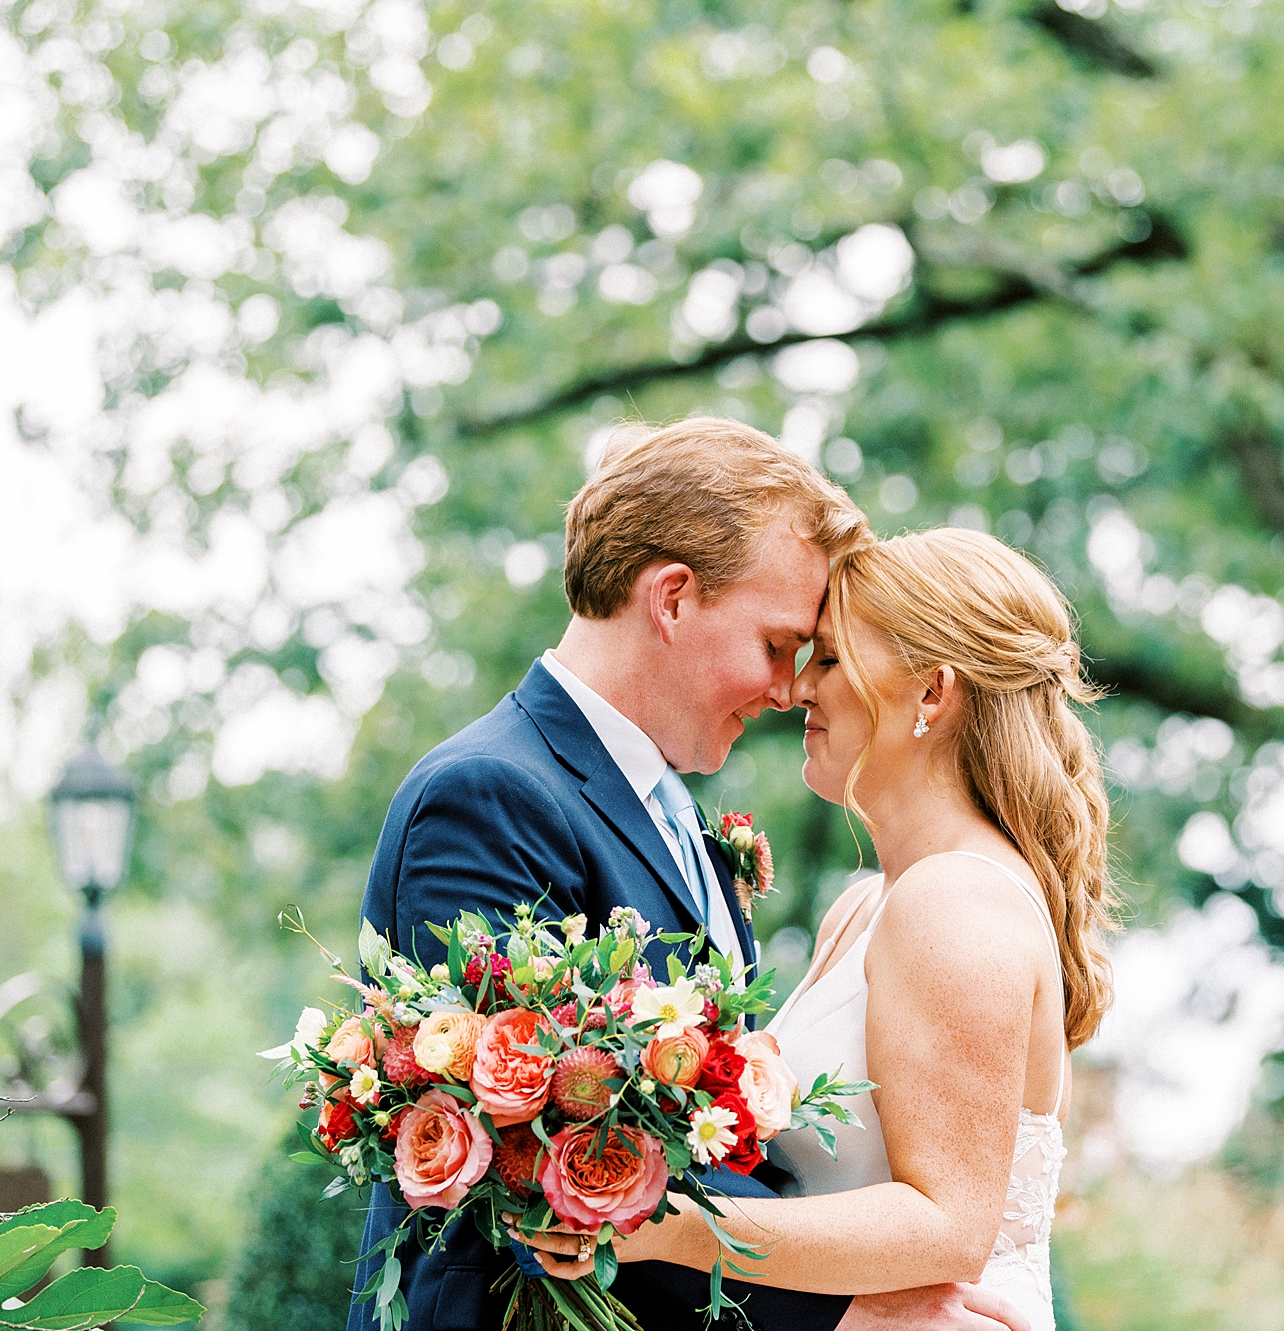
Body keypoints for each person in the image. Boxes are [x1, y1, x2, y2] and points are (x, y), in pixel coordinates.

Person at [346, 420, 1031, 1331]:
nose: (790, 689)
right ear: (672, 598)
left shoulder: (671, 817)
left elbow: (704, 1154)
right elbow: (525, 1174)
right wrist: (847, 1320)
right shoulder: (493, 795)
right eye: (782, 642)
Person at [515, 527, 1121, 1331]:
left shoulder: (953, 902)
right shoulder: (867, 903)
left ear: (932, 693)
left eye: (830, 660)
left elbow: (948, 1226)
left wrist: (679, 1227)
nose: (800, 689)